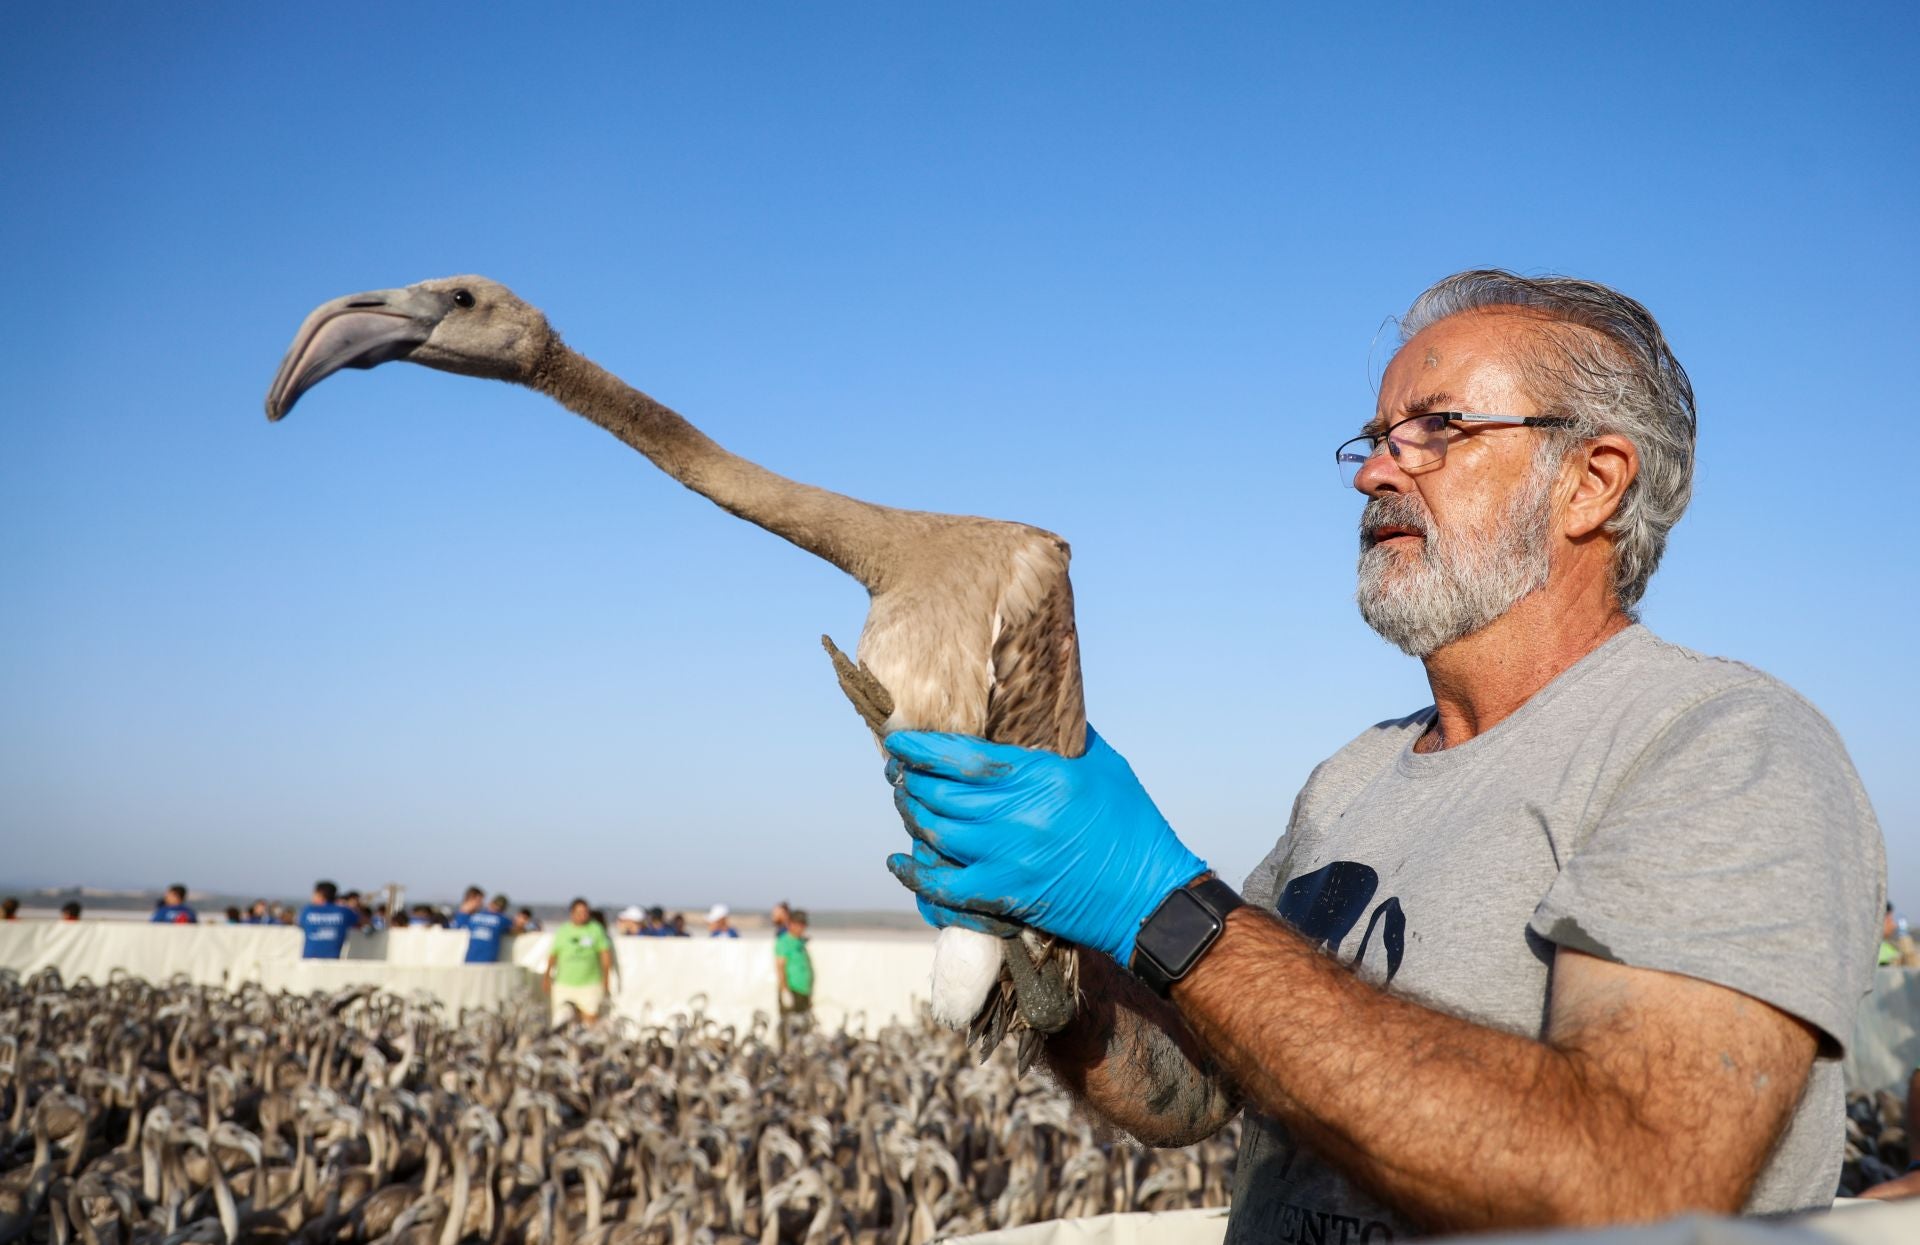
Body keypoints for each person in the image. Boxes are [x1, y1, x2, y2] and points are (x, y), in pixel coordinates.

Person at [880, 270, 1885, 1237]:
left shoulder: (1722, 747)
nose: (1372, 471)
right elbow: (1191, 1089)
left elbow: (1624, 1188)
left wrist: (1161, 905)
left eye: (1438, 430)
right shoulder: (1355, 777)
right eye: (1373, 438)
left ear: (1592, 482)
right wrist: (1050, 950)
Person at [545, 899, 613, 1024]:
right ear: (572, 913)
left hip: (590, 983)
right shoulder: (563, 930)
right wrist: (547, 976)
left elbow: (605, 954)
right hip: (564, 983)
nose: (583, 915)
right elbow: (553, 954)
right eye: (579, 912)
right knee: (561, 1019)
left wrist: (606, 978)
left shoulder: (596, 929)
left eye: (586, 912)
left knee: (590, 1019)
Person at [774, 909, 814, 1048]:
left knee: (803, 1027)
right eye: (798, 924)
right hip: (792, 990)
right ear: (790, 924)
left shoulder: (800, 942)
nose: (801, 928)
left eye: (803, 925)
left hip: (803, 992)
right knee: (788, 1027)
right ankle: (786, 1057)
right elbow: (780, 967)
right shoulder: (784, 941)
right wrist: (785, 990)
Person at [450, 885, 511, 964]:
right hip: (471, 963)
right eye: (479, 901)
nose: (481, 904)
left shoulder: (472, 917)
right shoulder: (468, 917)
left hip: (471, 962)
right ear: (471, 899)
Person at [297, 880, 356, 959]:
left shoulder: (308, 911)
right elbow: (361, 920)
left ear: (320, 894)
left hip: (309, 960)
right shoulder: (344, 911)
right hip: (332, 959)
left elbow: (301, 923)